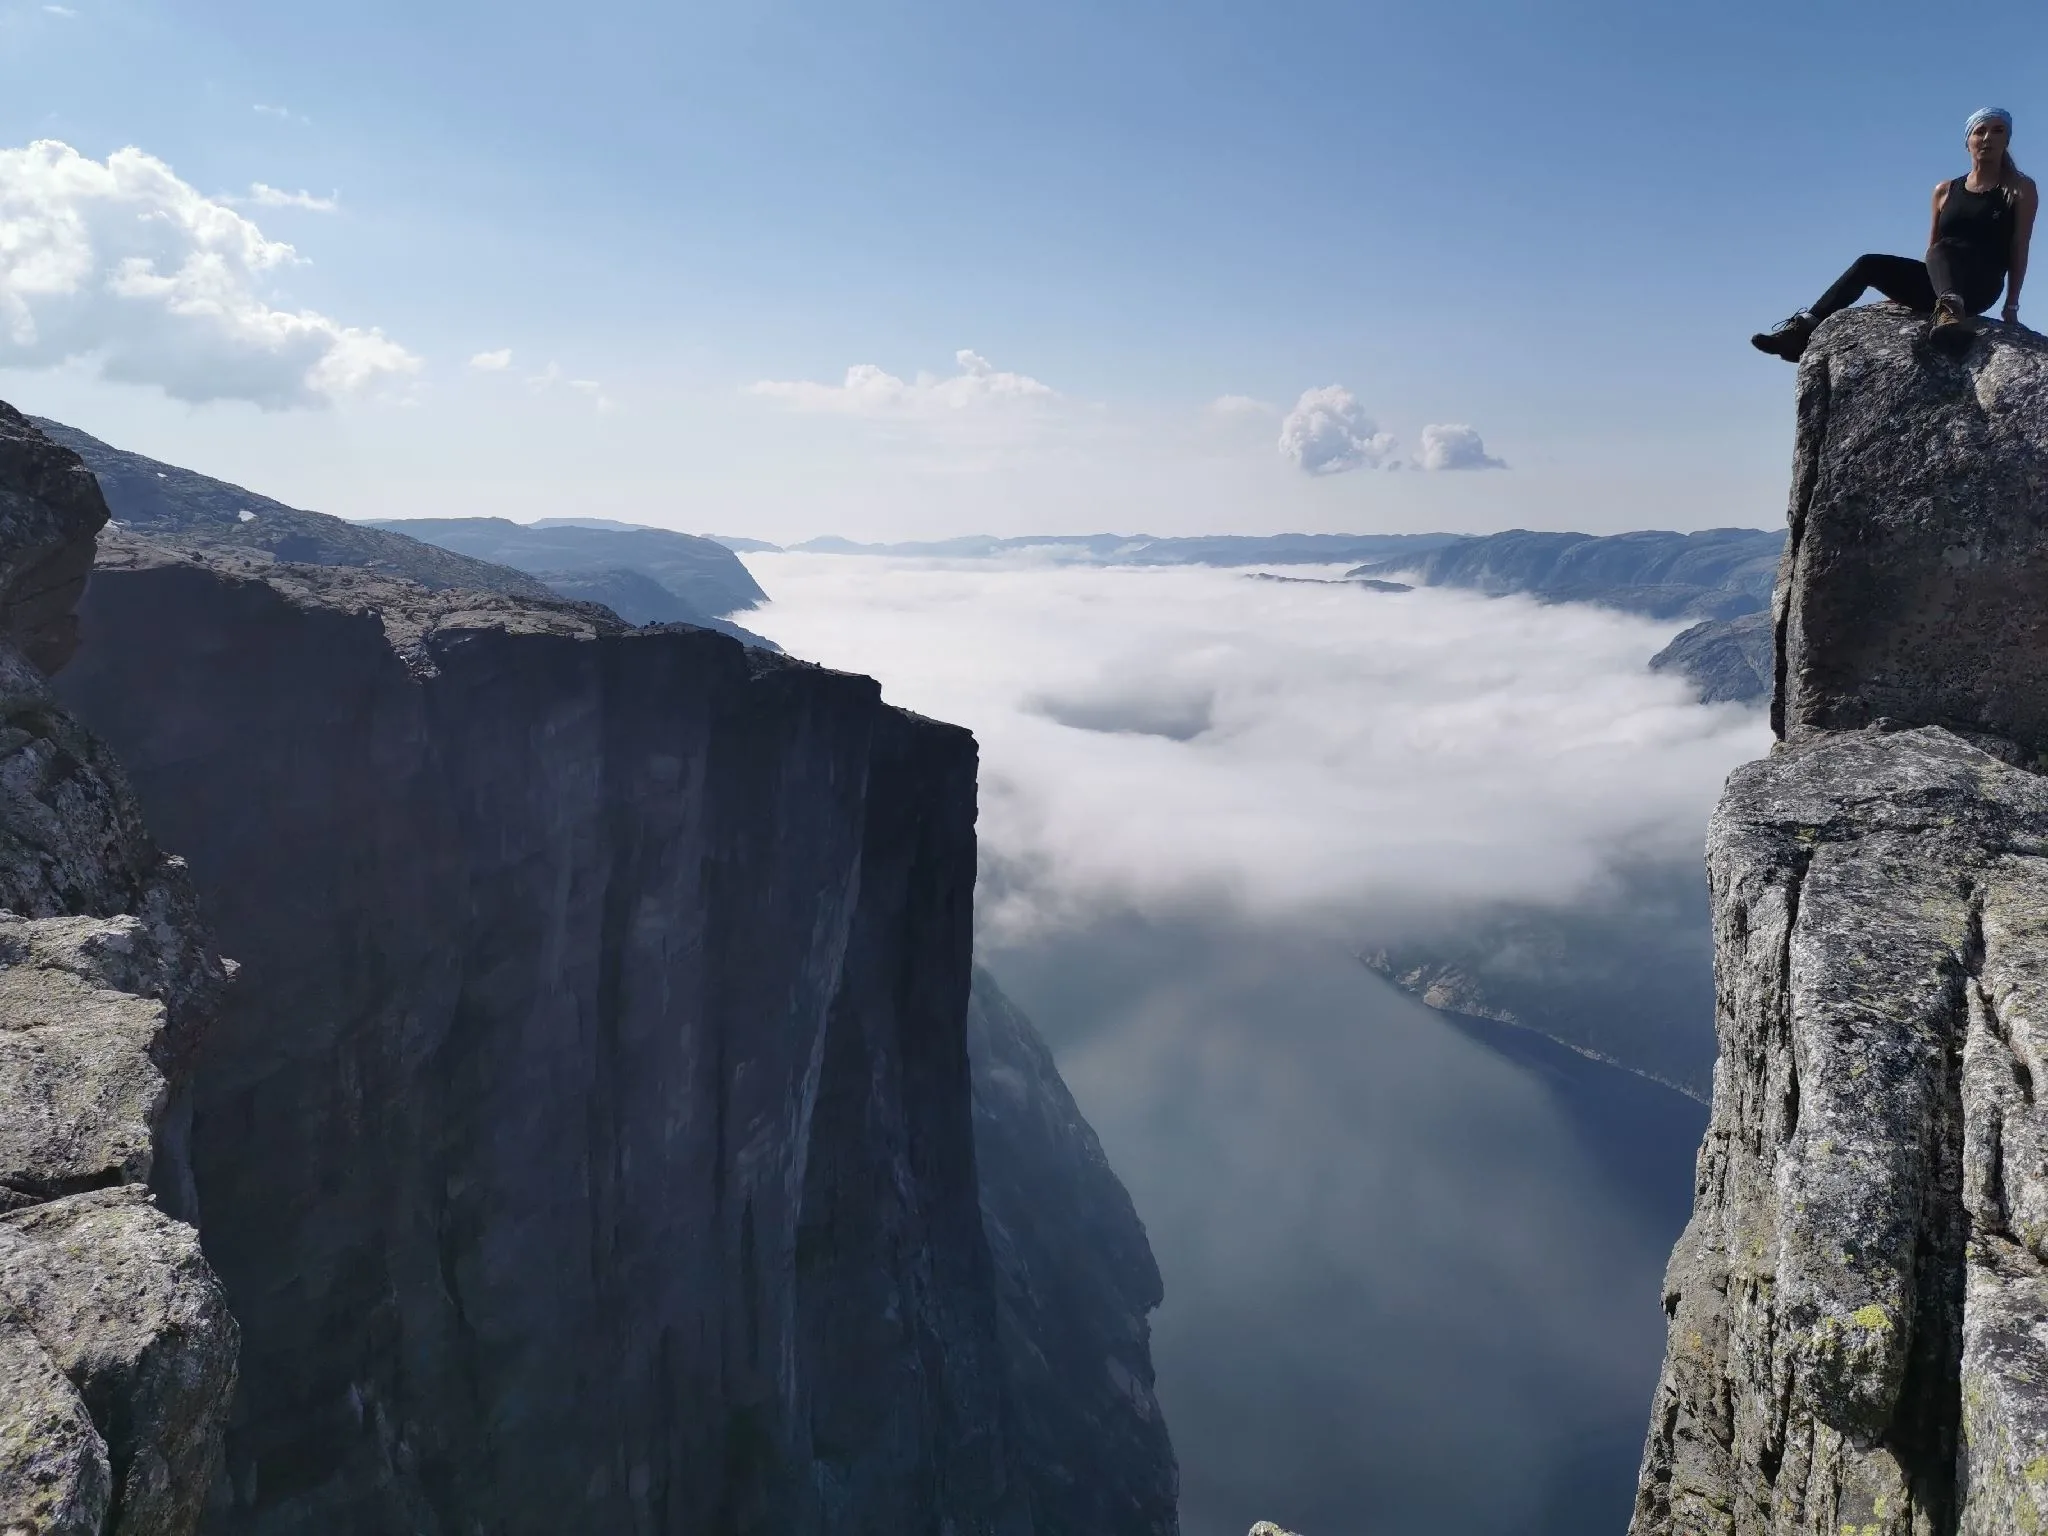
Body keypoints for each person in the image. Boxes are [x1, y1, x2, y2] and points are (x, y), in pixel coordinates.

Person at [1753, 108, 2038, 361]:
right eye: (1980, 131)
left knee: (1944, 249)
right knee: (1869, 264)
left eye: (1997, 130)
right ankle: (1802, 330)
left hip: (1981, 286)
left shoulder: (2019, 189)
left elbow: (2019, 245)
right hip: (1942, 281)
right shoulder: (1945, 190)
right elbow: (1933, 249)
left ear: (2007, 140)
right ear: (1968, 142)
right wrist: (1907, 289)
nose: (1988, 137)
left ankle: (1951, 313)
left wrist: (2011, 305)